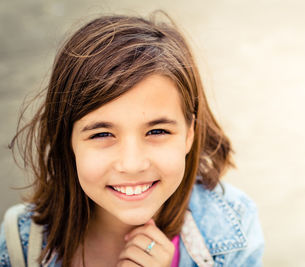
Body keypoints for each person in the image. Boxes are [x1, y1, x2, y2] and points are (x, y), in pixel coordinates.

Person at [0, 12, 264, 267]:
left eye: (157, 131)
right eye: (102, 134)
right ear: (68, 140)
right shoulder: (19, 244)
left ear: (189, 133)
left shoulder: (232, 223)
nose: (132, 164)